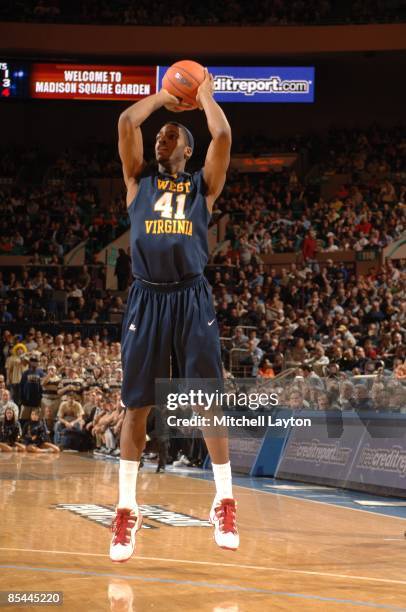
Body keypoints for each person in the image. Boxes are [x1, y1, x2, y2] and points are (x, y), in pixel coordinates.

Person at [110, 70, 238, 563]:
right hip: (147, 297)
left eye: (170, 135)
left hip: (190, 297)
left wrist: (202, 94)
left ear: (186, 150)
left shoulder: (202, 186)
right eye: (159, 135)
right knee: (137, 405)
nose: (161, 138)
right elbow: (126, 119)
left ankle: (223, 500)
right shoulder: (136, 179)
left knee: (207, 398)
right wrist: (167, 95)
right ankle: (126, 509)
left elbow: (222, 135)